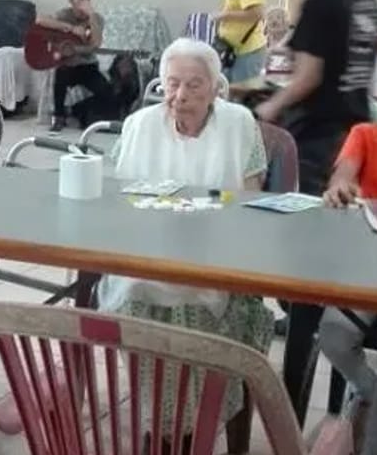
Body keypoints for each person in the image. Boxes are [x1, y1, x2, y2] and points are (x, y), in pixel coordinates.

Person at [98, 38, 273, 450]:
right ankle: (162, 426)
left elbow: (249, 205)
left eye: (194, 85)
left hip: (217, 265)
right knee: (138, 302)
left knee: (199, 309)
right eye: (172, 83)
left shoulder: (239, 124)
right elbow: (114, 202)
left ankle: (190, 427)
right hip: (144, 265)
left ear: (216, 87)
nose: (180, 96)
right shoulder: (140, 126)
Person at [254, 0, 377, 427]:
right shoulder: (367, 1)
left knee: (303, 281)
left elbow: (306, 78)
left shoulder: (325, 1)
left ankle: (289, 397)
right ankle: (338, 402)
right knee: (336, 269)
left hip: (316, 146)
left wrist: (268, 107)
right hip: (354, 134)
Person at [318, 102, 377, 455]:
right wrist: (341, 188)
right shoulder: (366, 135)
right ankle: (369, 392)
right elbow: (344, 173)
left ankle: (376, 446)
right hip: (370, 258)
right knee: (333, 334)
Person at [36, 0, 114, 133]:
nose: (84, 2)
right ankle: (59, 117)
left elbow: (95, 44)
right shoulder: (64, 14)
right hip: (67, 66)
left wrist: (91, 16)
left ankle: (75, 110)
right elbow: (40, 20)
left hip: (88, 66)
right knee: (60, 73)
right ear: (71, 0)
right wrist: (71, 28)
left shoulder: (96, 19)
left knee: (107, 91)